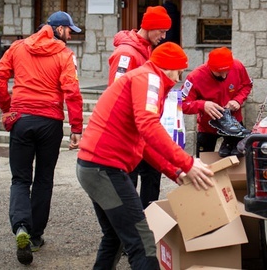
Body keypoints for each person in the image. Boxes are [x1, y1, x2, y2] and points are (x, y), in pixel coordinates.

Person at [77, 42, 214, 270]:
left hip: (94, 167)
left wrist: (174, 170)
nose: (180, 77)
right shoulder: (150, 79)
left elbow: (144, 142)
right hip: (105, 168)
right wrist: (188, 163)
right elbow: (149, 126)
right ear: (169, 68)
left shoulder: (144, 77)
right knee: (143, 243)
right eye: (180, 70)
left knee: (116, 236)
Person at [0, 10, 84, 266]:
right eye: (68, 31)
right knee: (44, 179)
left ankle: (21, 226)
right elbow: (72, 92)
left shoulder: (18, 47)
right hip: (49, 122)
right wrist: (76, 127)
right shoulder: (65, 55)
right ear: (57, 29)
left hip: (21, 119)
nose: (70, 36)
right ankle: (35, 236)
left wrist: (7, 108)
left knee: (20, 179)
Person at [107, 4, 172, 211]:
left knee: (152, 172)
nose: (163, 36)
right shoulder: (126, 53)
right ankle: (131, 225)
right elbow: (115, 92)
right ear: (150, 27)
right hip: (128, 129)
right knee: (130, 178)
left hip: (141, 128)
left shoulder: (146, 49)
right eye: (161, 31)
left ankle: (147, 220)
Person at [182, 47, 253, 157]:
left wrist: (238, 100)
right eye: (219, 73)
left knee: (237, 158)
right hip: (207, 127)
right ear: (210, 67)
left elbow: (247, 85)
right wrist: (203, 105)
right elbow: (182, 104)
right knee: (204, 160)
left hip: (233, 124)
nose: (223, 76)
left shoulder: (238, 66)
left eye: (227, 72)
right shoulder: (194, 77)